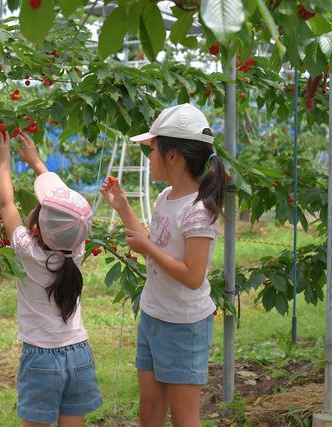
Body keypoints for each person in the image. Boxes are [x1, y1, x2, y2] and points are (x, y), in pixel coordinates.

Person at [100, 103, 226, 427]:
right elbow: (151, 244)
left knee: (184, 417)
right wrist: (123, 208)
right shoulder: (164, 198)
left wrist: (148, 248)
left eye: (152, 150)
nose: (149, 158)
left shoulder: (200, 211)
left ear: (173, 156)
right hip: (154, 315)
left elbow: (193, 276)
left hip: (184, 327)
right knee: (150, 409)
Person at [0, 130, 102, 427]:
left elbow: (6, 205)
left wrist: (3, 163)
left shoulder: (26, 251)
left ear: (36, 229)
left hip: (41, 358)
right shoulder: (76, 250)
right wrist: (38, 164)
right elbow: (69, 211)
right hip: (79, 353)